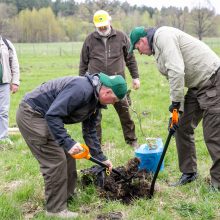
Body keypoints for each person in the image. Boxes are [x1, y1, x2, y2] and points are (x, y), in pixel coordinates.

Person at [16, 72, 127, 218]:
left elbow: (90, 131)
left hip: (46, 116)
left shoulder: (95, 102)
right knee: (56, 160)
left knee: (69, 156)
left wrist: (101, 159)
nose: (113, 104)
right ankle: (55, 210)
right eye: (113, 100)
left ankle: (67, 196)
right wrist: (68, 142)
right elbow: (53, 115)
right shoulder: (81, 89)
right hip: (32, 114)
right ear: (107, 91)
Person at [129, 26, 220, 190]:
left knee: (213, 134)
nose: (139, 52)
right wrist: (178, 110)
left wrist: (177, 103)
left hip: (213, 80)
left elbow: (176, 70)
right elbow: (174, 77)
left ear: (142, 41)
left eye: (137, 48)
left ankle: (218, 183)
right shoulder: (157, 48)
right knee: (180, 126)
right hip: (197, 86)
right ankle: (189, 172)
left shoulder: (163, 36)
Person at [79, 10, 140, 148]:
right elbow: (83, 63)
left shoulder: (121, 37)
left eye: (104, 25)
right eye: (99, 26)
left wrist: (135, 77)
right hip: (96, 85)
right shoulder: (89, 40)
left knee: (125, 114)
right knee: (95, 118)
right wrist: (81, 83)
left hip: (117, 85)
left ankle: (132, 140)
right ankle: (96, 145)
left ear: (109, 22)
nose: (102, 28)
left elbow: (130, 58)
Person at [0, 36, 20, 146]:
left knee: (3, 111)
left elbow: (14, 63)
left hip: (4, 83)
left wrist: (15, 82)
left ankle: (3, 137)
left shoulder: (6, 44)